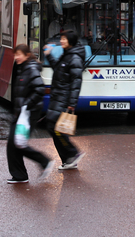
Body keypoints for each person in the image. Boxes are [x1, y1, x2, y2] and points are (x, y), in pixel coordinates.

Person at [6, 44, 54, 184]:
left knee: (17, 143)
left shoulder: (30, 68)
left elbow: (39, 89)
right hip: (22, 112)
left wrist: (27, 104)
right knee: (14, 143)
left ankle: (44, 161)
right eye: (15, 55)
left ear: (27, 55)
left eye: (19, 54)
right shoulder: (24, 67)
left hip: (28, 113)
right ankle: (20, 175)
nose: (16, 57)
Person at [43, 29, 85, 170]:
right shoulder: (67, 55)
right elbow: (59, 69)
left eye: (64, 39)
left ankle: (73, 153)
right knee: (54, 127)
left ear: (70, 41)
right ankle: (68, 159)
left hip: (63, 98)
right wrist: (49, 55)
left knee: (54, 126)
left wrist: (72, 103)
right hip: (58, 97)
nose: (61, 41)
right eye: (61, 38)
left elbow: (76, 82)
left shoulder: (75, 58)